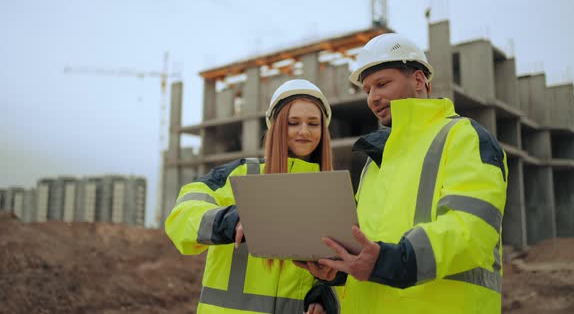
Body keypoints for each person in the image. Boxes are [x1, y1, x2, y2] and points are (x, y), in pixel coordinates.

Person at [299, 33, 508, 313]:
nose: (374, 97)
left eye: (382, 84)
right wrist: (335, 275)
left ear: (419, 79)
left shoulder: (463, 137)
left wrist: (388, 261)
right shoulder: (376, 162)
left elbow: (471, 231)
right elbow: (367, 248)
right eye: (367, 90)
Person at [165, 79, 340, 314]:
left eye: (313, 123)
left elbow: (347, 267)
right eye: (293, 122)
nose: (304, 131)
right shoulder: (241, 174)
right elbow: (180, 219)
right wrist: (231, 219)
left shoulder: (333, 192)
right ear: (277, 126)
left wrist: (325, 293)